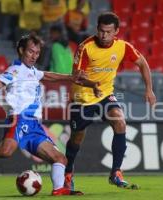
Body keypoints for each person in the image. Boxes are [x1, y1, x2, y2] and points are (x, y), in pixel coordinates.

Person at [0, 34, 96, 196]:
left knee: (60, 159)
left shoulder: (32, 71)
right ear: (21, 50)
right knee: (4, 152)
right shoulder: (15, 70)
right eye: (30, 52)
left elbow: (47, 75)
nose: (34, 56)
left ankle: (59, 189)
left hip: (34, 125)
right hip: (19, 119)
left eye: (37, 52)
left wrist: (71, 78)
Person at [64, 12, 157, 190]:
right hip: (83, 97)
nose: (104, 35)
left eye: (108, 32)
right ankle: (68, 173)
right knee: (77, 137)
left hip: (105, 94)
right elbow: (76, 77)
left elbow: (143, 64)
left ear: (116, 31)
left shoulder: (123, 47)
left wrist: (149, 89)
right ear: (97, 29)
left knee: (120, 122)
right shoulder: (85, 47)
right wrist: (92, 84)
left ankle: (116, 172)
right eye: (101, 31)